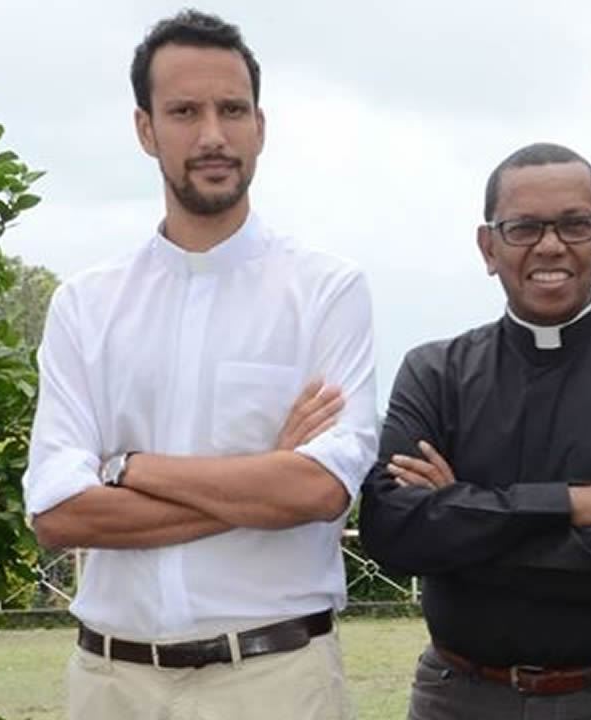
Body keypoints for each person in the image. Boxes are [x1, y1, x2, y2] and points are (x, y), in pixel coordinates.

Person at [21, 10, 377, 719]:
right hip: (111, 684)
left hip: (275, 680)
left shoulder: (327, 292)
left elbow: (316, 492)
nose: (212, 134)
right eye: (184, 111)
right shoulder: (86, 307)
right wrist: (257, 478)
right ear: (146, 129)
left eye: (232, 110)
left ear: (260, 126)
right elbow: (58, 513)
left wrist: (129, 467)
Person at [359, 142, 591, 719]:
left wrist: (459, 522)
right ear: (488, 246)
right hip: (460, 695)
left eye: (575, 224)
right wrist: (567, 505)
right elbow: (394, 533)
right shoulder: (435, 372)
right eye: (523, 227)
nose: (551, 245)